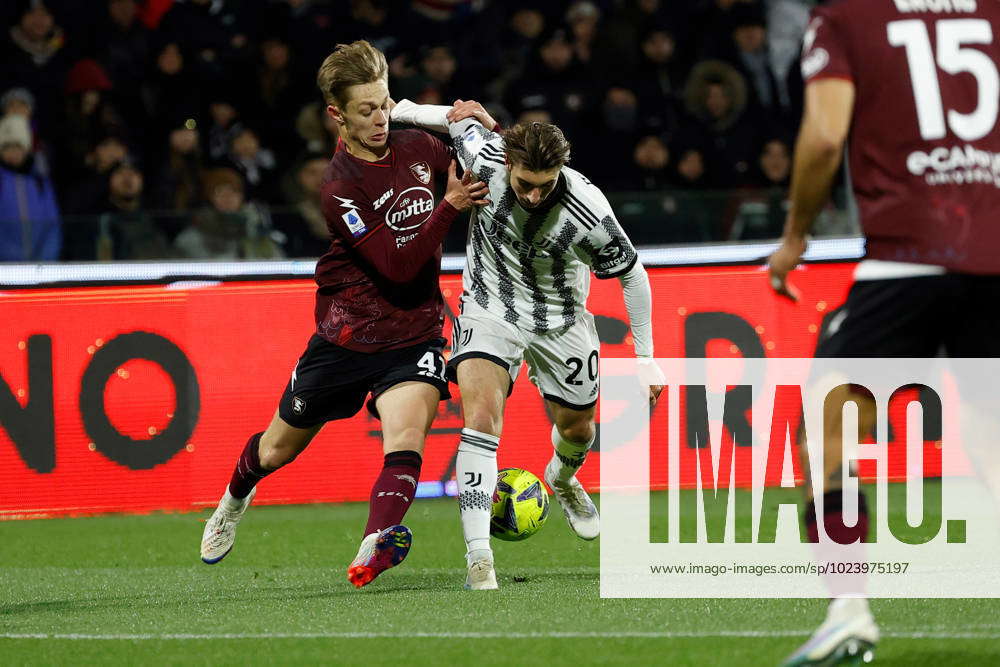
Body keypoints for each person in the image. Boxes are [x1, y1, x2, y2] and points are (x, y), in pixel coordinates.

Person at [198, 40, 488, 589]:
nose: (379, 120)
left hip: (414, 331)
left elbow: (484, 152)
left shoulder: (420, 147)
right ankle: (235, 499)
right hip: (346, 336)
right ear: (338, 115)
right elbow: (396, 265)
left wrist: (474, 123)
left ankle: (373, 546)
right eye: (365, 110)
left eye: (384, 105)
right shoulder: (339, 186)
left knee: (406, 439)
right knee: (276, 448)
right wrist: (449, 206)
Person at [767, 2, 1000, 664]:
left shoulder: (846, 17)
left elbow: (822, 137)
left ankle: (848, 608)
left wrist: (794, 237)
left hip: (910, 251)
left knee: (824, 420)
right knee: (991, 433)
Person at [391, 99, 664, 590]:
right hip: (489, 306)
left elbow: (633, 275)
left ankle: (561, 478)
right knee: (481, 419)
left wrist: (646, 360)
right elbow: (457, 120)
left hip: (561, 320)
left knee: (579, 430)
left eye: (545, 185)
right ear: (509, 163)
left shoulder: (589, 210)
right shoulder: (486, 158)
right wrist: (397, 109)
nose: (535, 196)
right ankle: (479, 559)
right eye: (524, 185)